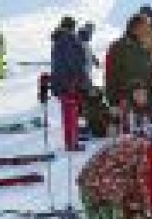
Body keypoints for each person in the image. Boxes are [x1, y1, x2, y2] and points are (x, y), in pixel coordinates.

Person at [105, 14, 152, 134]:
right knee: (125, 140)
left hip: (144, 102)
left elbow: (150, 74)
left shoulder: (145, 49)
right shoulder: (118, 47)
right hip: (125, 102)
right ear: (135, 28)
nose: (148, 30)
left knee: (143, 139)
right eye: (145, 26)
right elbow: (110, 74)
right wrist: (113, 100)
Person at [50, 16, 87, 151]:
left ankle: (71, 141)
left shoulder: (59, 39)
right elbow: (73, 61)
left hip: (61, 82)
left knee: (68, 113)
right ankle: (72, 142)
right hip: (69, 82)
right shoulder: (67, 39)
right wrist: (78, 77)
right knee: (71, 113)